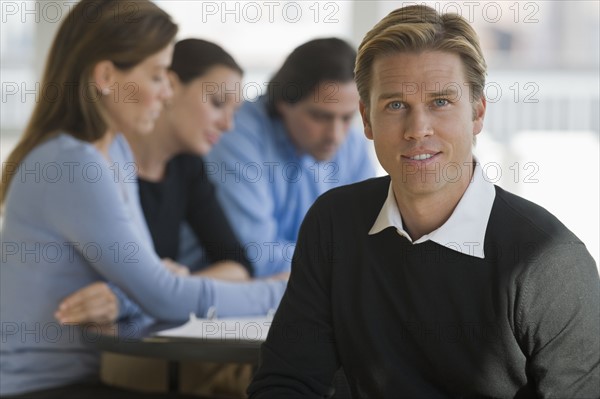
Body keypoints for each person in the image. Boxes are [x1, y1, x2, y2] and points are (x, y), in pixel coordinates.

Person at [247, 5, 600, 398]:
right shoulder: (333, 222)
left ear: (478, 112)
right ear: (366, 119)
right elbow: (286, 382)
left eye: (441, 102)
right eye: (395, 105)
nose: (418, 130)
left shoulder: (550, 262)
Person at [0, 1, 286, 397]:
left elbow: (152, 284)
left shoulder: (113, 151)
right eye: (156, 76)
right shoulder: (72, 163)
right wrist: (289, 289)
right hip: (42, 387)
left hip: (86, 378)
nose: (166, 92)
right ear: (105, 76)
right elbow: (165, 294)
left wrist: (127, 295)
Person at [204, 38, 376, 277]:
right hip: (215, 304)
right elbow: (258, 256)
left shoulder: (353, 144)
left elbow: (368, 244)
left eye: (347, 118)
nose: (335, 136)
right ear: (284, 101)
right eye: (320, 116)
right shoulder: (235, 132)